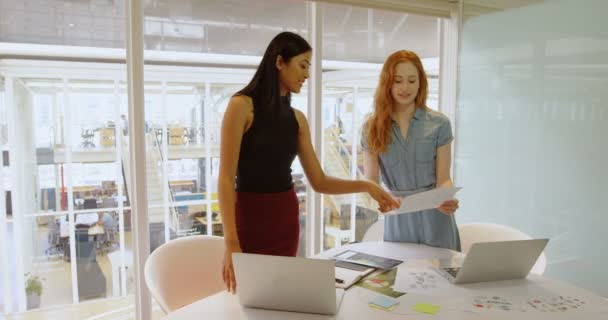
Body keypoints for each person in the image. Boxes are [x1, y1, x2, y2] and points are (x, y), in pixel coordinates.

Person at [219, 32, 400, 293]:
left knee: (279, 293)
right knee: (249, 294)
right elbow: (225, 178)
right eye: (302, 65)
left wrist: (366, 185)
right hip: (249, 217)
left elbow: (320, 181)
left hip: (285, 217)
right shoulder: (241, 106)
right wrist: (231, 242)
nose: (307, 74)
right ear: (280, 62)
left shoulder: (298, 119)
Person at [361, 50, 461, 251]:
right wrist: (382, 198)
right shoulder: (371, 127)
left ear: (420, 83)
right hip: (398, 216)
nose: (405, 88)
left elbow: (444, 179)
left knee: (443, 278)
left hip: (436, 217)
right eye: (398, 81)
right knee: (400, 278)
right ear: (387, 83)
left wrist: (445, 198)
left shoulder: (440, 123)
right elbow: (370, 180)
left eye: (411, 80)